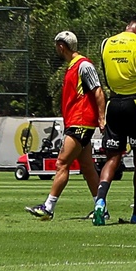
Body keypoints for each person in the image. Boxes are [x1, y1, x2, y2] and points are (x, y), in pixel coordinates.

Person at [25, 31, 107, 220]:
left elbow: (98, 91)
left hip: (81, 122)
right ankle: (101, 207)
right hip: (77, 121)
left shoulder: (83, 65)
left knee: (62, 163)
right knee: (87, 167)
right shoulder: (72, 67)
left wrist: (102, 119)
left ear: (61, 46)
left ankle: (48, 207)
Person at [92, 15, 136, 226]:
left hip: (113, 103)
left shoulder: (106, 43)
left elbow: (105, 74)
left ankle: (100, 202)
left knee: (112, 158)